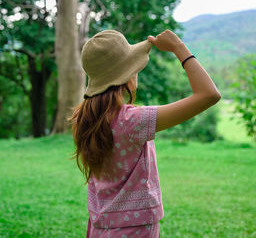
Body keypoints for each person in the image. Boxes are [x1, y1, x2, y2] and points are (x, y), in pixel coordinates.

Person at [69, 29, 221, 237]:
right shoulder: (132, 122)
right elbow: (209, 94)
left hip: (99, 228)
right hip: (135, 229)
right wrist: (179, 47)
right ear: (126, 76)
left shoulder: (82, 119)